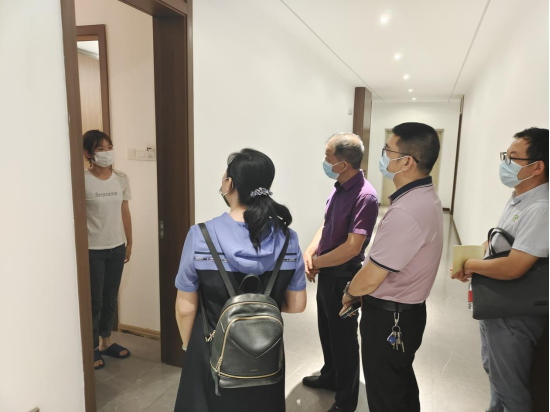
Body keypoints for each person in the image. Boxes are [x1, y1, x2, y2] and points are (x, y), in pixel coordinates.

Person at [173, 148, 307, 412]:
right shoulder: (288, 239)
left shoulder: (201, 236)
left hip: (210, 348)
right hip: (264, 354)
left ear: (230, 184)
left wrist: (190, 345)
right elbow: (297, 304)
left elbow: (185, 308)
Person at [341, 122, 443, 412]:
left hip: (389, 318)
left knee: (386, 394)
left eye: (388, 150)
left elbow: (371, 276)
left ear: (407, 162)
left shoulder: (407, 211)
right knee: (399, 385)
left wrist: (349, 292)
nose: (382, 156)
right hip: (406, 313)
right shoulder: (423, 197)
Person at [451, 127, 549, 412]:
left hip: (513, 312)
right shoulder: (520, 197)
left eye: (513, 157)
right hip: (496, 304)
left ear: (537, 167)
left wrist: (470, 265)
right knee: (494, 370)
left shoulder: (541, 208)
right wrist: (473, 258)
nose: (505, 163)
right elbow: (499, 239)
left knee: (510, 386)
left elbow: (514, 266)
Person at [302, 132, 378, 412]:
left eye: (328, 157)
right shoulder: (339, 187)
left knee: (344, 340)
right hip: (327, 274)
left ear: (343, 164)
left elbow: (351, 248)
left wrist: (317, 263)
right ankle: (330, 376)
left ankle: (346, 401)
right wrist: (310, 251)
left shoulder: (365, 196)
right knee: (327, 331)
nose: (325, 161)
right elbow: (326, 225)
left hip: (344, 278)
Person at [83, 130, 133, 370]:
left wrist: (129, 242)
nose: (107, 152)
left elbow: (124, 211)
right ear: (88, 153)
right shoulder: (82, 180)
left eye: (109, 147)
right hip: (93, 249)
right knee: (95, 301)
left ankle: (105, 342)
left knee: (110, 298)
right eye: (100, 148)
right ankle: (92, 347)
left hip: (116, 246)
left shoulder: (120, 178)